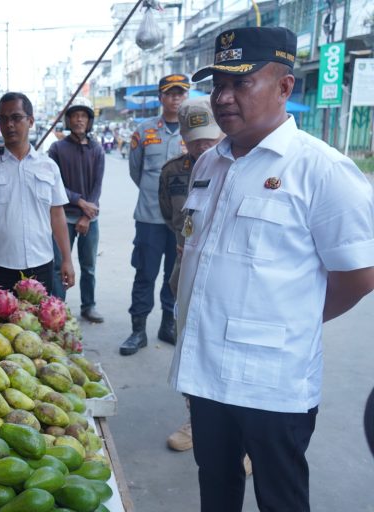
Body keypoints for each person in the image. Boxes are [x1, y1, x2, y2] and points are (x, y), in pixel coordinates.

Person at [170, 27, 374, 511]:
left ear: (285, 87)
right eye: (218, 83)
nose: (222, 97)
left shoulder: (321, 170)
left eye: (241, 83)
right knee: (215, 490)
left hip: (272, 382)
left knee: (280, 499)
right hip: (205, 373)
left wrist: (300, 316)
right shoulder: (209, 164)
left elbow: (359, 274)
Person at [158, 96, 224, 452]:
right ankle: (195, 418)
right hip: (187, 271)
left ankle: (240, 440)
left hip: (229, 278)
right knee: (189, 347)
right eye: (195, 139)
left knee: (223, 351)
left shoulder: (239, 165)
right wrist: (185, 237)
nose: (203, 146)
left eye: (209, 138)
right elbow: (170, 212)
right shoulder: (173, 171)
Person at [0, 92, 75, 293]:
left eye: (16, 117)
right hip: (1, 266)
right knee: (2, 324)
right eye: (3, 119)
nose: (9, 124)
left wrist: (67, 259)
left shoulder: (48, 166)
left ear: (30, 121)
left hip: (42, 264)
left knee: (38, 323)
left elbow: (57, 216)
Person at [120, 74, 189, 356]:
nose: (175, 98)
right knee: (145, 274)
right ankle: (138, 331)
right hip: (149, 218)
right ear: (161, 97)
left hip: (182, 222)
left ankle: (167, 326)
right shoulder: (143, 131)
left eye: (181, 93)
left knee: (176, 275)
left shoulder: (195, 129)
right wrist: (156, 196)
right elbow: (136, 171)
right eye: (170, 94)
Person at [48, 96, 105, 323]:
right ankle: (57, 308)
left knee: (88, 265)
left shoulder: (97, 149)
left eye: (83, 116)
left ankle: (88, 306)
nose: (79, 120)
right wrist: (80, 202)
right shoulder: (57, 149)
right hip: (63, 217)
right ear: (68, 120)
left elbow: (97, 187)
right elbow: (55, 184)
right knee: (58, 265)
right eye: (75, 115)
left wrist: (86, 215)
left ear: (89, 121)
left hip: (89, 219)